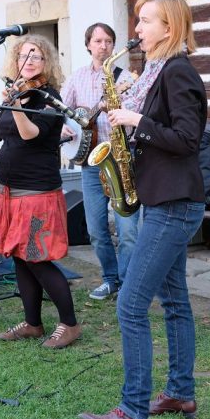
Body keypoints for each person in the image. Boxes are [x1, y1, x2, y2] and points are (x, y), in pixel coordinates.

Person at [78, 0, 207, 419]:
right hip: (164, 199)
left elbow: (188, 139)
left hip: (174, 204)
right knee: (174, 302)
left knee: (130, 304)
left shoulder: (178, 71)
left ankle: (132, 414)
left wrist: (136, 121)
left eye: (146, 21)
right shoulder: (157, 71)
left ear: (169, 28)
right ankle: (180, 392)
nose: (137, 29)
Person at [0, 34, 81, 349]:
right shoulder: (15, 93)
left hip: (37, 192)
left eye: (36, 56)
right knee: (20, 258)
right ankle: (32, 323)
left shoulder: (49, 99)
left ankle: (69, 324)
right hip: (9, 191)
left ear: (46, 62)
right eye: (24, 55)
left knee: (37, 259)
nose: (29, 61)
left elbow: (30, 134)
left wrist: (14, 106)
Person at [60, 22, 139, 300]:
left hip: (120, 158)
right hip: (91, 163)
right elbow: (62, 110)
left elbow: (135, 119)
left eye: (108, 41)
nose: (103, 46)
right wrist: (63, 126)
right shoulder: (77, 77)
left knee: (128, 231)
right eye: (97, 41)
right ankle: (110, 279)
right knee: (95, 229)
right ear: (88, 45)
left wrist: (116, 108)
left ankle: (127, 284)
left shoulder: (126, 78)